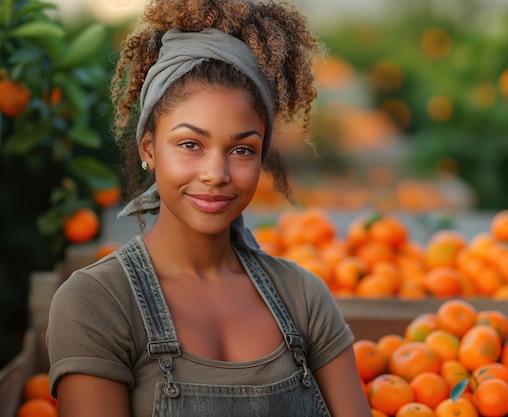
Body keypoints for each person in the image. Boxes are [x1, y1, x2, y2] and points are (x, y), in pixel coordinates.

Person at [46, 0, 373, 416]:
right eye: (190, 144)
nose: (216, 173)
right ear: (149, 148)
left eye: (241, 149)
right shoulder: (98, 302)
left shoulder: (303, 297)